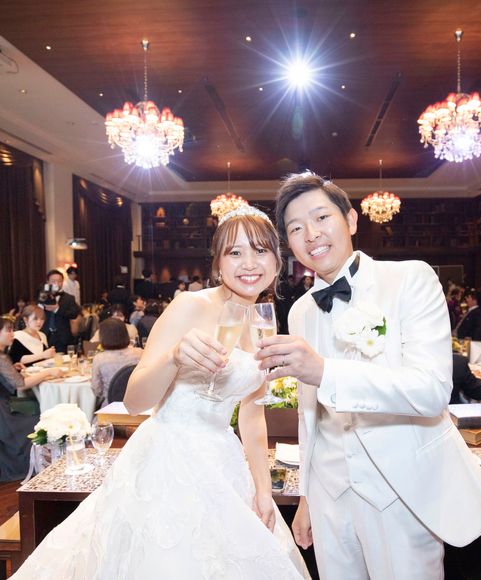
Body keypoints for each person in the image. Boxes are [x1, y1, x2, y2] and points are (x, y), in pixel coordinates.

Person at [12, 206, 309, 579]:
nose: (249, 263)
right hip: (168, 459)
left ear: (277, 261)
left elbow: (252, 413)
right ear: (218, 263)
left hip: (223, 461)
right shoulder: (190, 305)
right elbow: (135, 400)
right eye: (235, 252)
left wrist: (263, 490)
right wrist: (174, 357)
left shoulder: (264, 318)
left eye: (261, 250)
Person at [255, 172, 481, 580]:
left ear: (351, 220)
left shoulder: (410, 280)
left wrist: (326, 371)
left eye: (321, 218)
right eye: (296, 228)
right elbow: (308, 415)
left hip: (401, 493)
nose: (311, 234)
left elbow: (431, 391)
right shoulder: (299, 311)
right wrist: (308, 499)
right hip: (330, 498)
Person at [0, 317, 64, 482]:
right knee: (43, 421)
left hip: (4, 406)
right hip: (3, 415)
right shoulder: (1, 358)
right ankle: (48, 466)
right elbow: (21, 385)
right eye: (8, 330)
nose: (12, 334)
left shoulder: (3, 357)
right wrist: (48, 372)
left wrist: (12, 369)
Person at [91, 319, 142, 408]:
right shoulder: (140, 353)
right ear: (125, 334)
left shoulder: (99, 359)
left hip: (111, 407)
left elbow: (97, 390)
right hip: (139, 405)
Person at [39, 269, 81, 353]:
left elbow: (74, 314)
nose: (56, 284)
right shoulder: (42, 296)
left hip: (62, 337)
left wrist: (57, 309)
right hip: (45, 334)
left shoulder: (69, 298)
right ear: (48, 282)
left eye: (59, 281)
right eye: (53, 281)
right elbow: (36, 311)